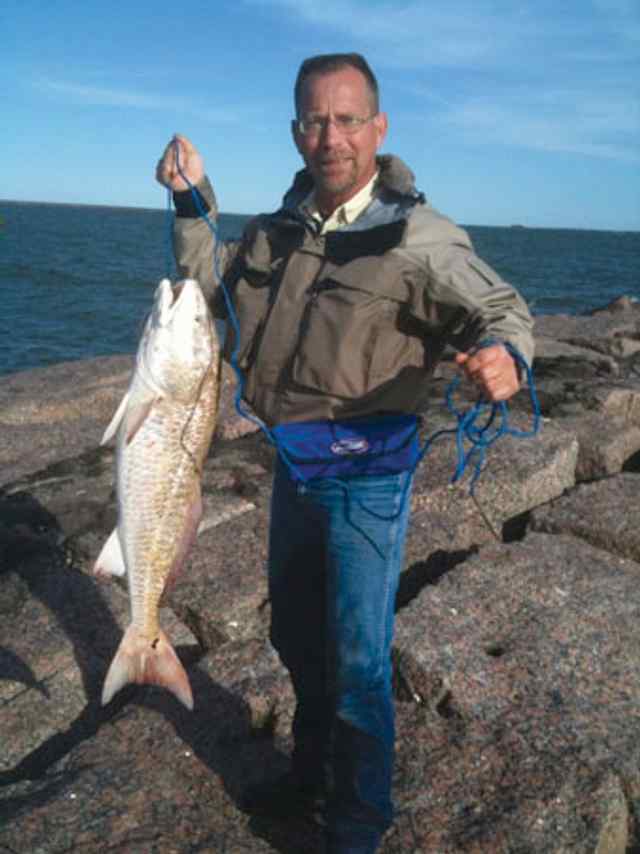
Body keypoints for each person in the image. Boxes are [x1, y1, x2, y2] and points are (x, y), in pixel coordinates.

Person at [156, 53, 533, 854]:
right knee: (296, 638)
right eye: (316, 121)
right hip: (292, 466)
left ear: (379, 128)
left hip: (369, 478)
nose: (333, 137)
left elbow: (498, 309)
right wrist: (189, 200)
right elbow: (205, 288)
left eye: (348, 119)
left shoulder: (419, 237)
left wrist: (507, 355)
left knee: (359, 663)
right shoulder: (278, 230)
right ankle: (312, 774)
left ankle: (356, 825)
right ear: (298, 133)